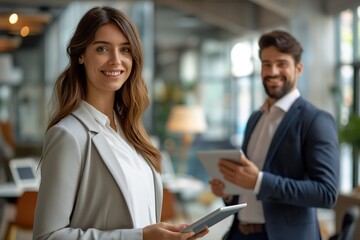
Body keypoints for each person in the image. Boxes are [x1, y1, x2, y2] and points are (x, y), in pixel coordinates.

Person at [33, 6, 208, 240]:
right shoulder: (68, 135)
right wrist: (140, 237)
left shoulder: (132, 132)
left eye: (125, 49)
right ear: (81, 55)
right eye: (103, 48)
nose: (116, 60)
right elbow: (47, 236)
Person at [210, 30, 339, 240]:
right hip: (239, 233)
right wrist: (229, 192)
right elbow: (248, 192)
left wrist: (259, 181)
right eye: (266, 64)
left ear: (298, 69)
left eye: (282, 64)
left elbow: (326, 193)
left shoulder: (316, 120)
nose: (273, 71)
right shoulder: (255, 118)